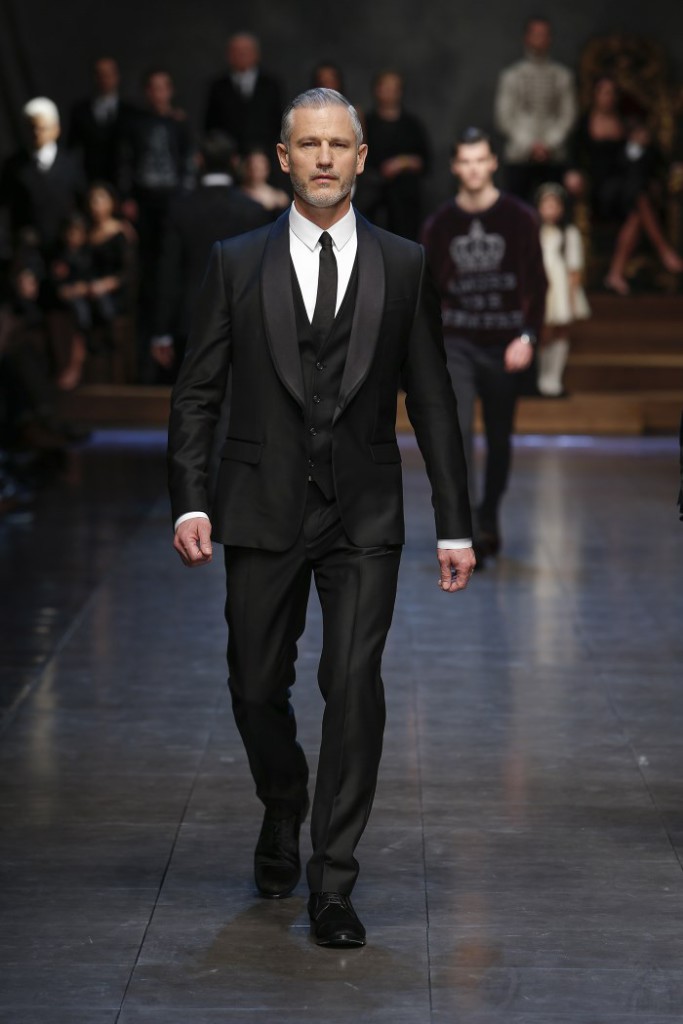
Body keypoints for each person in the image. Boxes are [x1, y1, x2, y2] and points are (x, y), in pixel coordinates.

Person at [168, 88, 475, 949]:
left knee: (352, 684)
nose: (325, 158)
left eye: (339, 144)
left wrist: (454, 522)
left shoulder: (403, 264)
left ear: (362, 157)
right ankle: (282, 801)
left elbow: (433, 400)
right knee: (254, 685)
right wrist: (190, 496)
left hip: (363, 513)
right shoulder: (235, 261)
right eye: (309, 145)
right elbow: (197, 391)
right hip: (259, 505)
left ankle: (332, 881)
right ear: (283, 157)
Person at [421, 127, 547, 565]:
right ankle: (467, 527)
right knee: (456, 432)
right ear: (455, 167)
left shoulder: (520, 218)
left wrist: (528, 336)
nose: (474, 169)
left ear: (493, 163)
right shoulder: (439, 225)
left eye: (481, 160)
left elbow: (538, 283)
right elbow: (426, 291)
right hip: (456, 340)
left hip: (505, 341)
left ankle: (489, 513)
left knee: (498, 436)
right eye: (465, 161)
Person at [152, 132, 270, 375]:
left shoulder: (180, 209)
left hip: (191, 320)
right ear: (235, 161)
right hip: (243, 321)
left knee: (192, 394)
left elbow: (168, 272)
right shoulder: (254, 211)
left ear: (199, 160)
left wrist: (161, 331)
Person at [565, 76, 683, 294]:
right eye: (604, 92)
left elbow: (651, 158)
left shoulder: (627, 123)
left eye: (613, 93)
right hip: (600, 190)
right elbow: (573, 155)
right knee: (639, 198)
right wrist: (573, 174)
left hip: (626, 186)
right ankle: (663, 250)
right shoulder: (584, 124)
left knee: (637, 203)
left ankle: (616, 273)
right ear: (595, 95)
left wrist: (638, 146)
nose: (609, 97)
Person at [494, 16, 577, 202]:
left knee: (555, 206)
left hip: (554, 155)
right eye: (535, 34)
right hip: (519, 155)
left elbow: (568, 115)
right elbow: (504, 117)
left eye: (544, 34)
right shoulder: (511, 76)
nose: (540, 38)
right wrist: (530, 146)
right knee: (517, 208)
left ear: (550, 38)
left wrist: (549, 144)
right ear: (527, 37)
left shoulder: (563, 76)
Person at [0, 97, 86, 255]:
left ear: (56, 129)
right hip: (26, 251)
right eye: (31, 128)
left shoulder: (71, 164)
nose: (36, 133)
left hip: (64, 250)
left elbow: (81, 202)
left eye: (42, 128)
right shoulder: (14, 165)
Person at [359, 70, 431, 240]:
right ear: (376, 90)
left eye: (394, 88)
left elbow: (425, 161)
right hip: (373, 196)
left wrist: (401, 163)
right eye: (385, 88)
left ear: (400, 91)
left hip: (405, 198)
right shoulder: (366, 122)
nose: (389, 93)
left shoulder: (411, 125)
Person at [535, 182, 590, 397]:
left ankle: (554, 379)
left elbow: (574, 267)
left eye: (554, 205)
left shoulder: (569, 233)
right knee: (543, 332)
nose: (550, 209)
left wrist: (571, 296)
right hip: (541, 286)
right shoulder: (533, 230)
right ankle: (541, 379)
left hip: (561, 288)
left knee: (561, 331)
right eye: (545, 204)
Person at [204, 33, 283, 158]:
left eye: (246, 50)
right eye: (236, 51)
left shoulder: (271, 85)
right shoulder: (218, 87)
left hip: (265, 157)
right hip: (228, 158)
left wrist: (264, 153)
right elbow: (211, 126)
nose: (241, 54)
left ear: (256, 54)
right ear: (228, 55)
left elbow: (279, 123)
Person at [67, 56, 134, 185]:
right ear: (94, 78)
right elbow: (73, 148)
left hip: (123, 181)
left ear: (117, 76)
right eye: (100, 74)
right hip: (89, 179)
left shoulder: (130, 112)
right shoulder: (80, 111)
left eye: (109, 74)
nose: (105, 79)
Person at [239, 148, 290, 214]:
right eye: (252, 167)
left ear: (266, 169)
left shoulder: (279, 196)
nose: (255, 172)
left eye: (259, 168)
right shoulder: (238, 195)